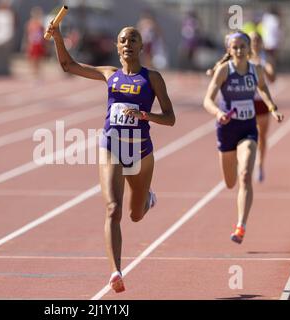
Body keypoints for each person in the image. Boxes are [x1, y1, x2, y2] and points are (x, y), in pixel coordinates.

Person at [45, 22, 175, 292]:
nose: (127, 44)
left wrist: (145, 116)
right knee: (113, 209)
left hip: (140, 151)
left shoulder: (152, 78)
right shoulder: (109, 75)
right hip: (111, 146)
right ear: (117, 48)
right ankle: (116, 271)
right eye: (123, 40)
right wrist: (58, 37)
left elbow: (170, 118)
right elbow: (69, 66)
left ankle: (147, 198)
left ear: (141, 46)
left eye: (133, 39)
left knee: (135, 214)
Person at [203, 31, 284, 244]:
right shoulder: (223, 70)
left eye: (242, 47)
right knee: (230, 182)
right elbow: (207, 100)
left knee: (246, 173)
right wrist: (218, 113)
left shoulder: (255, 69)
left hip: (248, 127)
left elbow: (264, 88)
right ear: (229, 50)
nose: (239, 51)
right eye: (235, 47)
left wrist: (272, 107)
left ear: (249, 50)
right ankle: (234, 175)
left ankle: (241, 225)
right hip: (227, 129)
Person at [248, 31, 276, 182]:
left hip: (261, 102)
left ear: (261, 43)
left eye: (257, 40)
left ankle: (260, 164)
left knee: (262, 137)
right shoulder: (242, 57)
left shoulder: (266, 59)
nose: (255, 43)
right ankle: (245, 163)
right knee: (244, 136)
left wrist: (262, 67)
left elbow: (272, 78)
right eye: (252, 40)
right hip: (246, 101)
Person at [25, 6, 46, 79]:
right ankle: (34, 74)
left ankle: (38, 74)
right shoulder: (30, 24)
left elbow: (43, 36)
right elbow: (28, 35)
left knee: (39, 60)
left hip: (39, 44)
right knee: (32, 60)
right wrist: (28, 44)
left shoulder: (41, 25)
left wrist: (45, 45)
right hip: (33, 44)